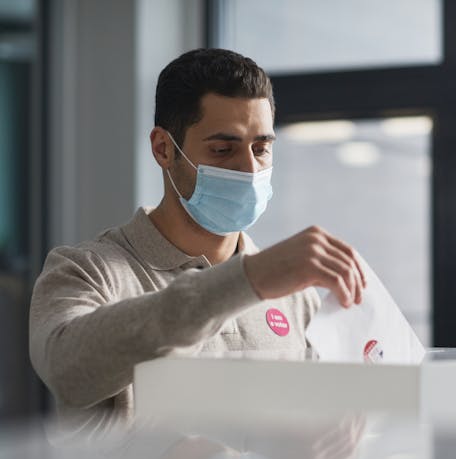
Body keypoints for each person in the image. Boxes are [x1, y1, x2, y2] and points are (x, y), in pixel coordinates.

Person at [29, 48, 366, 429]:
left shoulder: (295, 294)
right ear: (163, 149)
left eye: (262, 148)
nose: (249, 169)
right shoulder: (88, 271)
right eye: (223, 150)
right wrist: (248, 280)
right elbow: (67, 372)